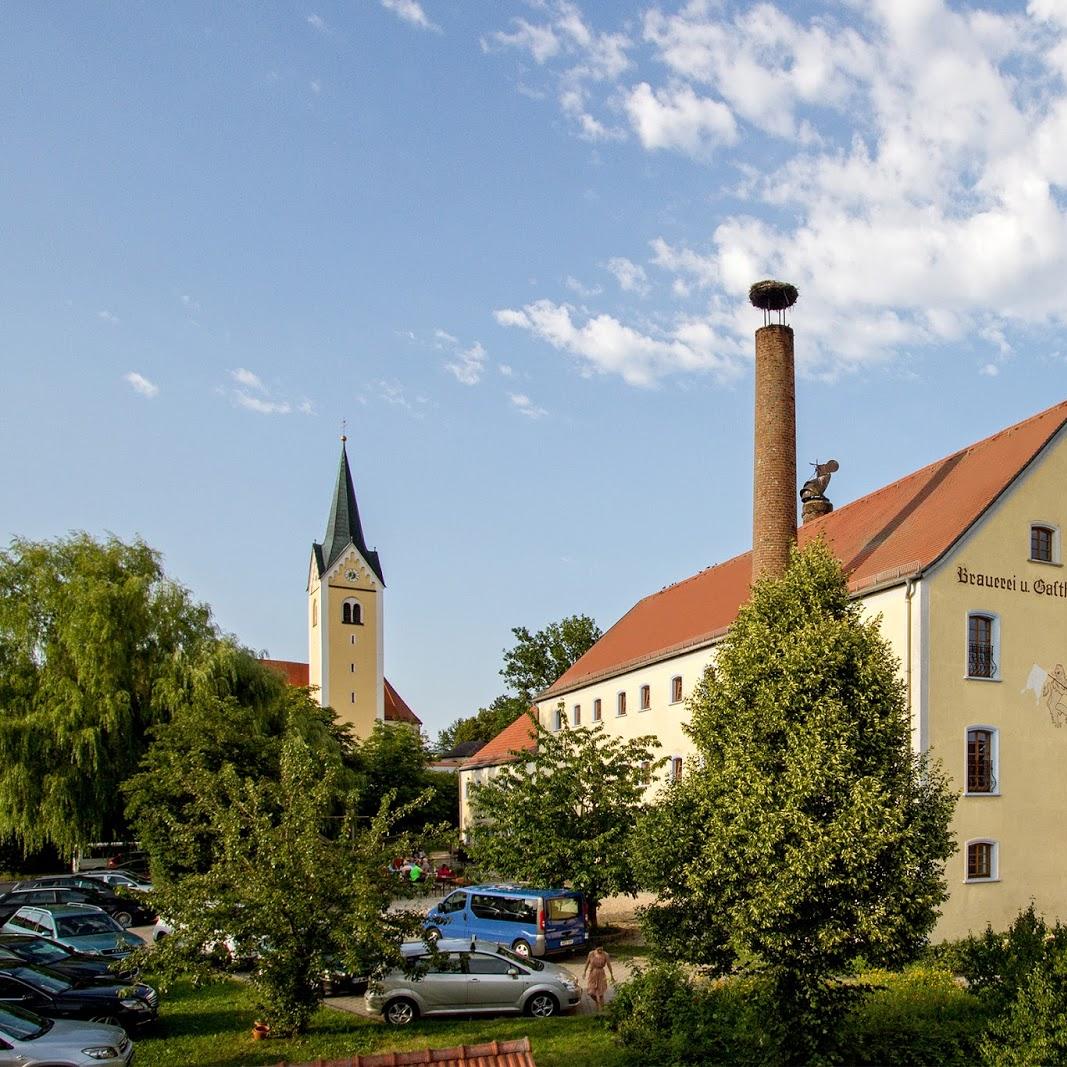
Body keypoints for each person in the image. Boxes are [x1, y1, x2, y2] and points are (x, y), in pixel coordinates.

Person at [582, 945, 615, 1011]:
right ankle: (598, 1003)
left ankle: (601, 1010)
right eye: (598, 949)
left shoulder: (606, 954)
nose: (600, 950)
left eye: (601, 949)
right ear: (595, 948)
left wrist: (611, 975)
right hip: (592, 974)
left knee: (600, 993)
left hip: (601, 974)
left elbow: (609, 965)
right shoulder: (591, 954)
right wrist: (584, 972)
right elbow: (587, 963)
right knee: (591, 992)